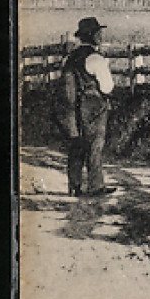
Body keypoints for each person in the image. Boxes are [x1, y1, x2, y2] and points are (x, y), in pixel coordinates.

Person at [59, 17, 115, 197]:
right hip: (93, 106)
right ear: (92, 36)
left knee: (76, 144)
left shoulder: (70, 58)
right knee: (95, 145)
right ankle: (95, 186)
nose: (101, 35)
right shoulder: (96, 58)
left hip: (72, 106)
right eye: (98, 32)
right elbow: (107, 87)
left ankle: (74, 185)